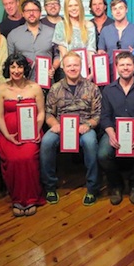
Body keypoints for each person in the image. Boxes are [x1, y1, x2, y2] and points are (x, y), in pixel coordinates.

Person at [40, 52, 101, 206]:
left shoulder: (92, 88)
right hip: (61, 128)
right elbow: (48, 113)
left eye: (76, 65)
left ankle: (92, 188)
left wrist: (88, 125)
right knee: (46, 142)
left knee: (90, 143)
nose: (72, 68)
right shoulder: (55, 88)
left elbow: (98, 114)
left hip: (83, 128)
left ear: (81, 66)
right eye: (69, 65)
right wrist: (54, 124)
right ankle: (50, 187)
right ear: (63, 67)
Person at [98, 51, 134, 205]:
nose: (125, 68)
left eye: (129, 64)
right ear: (116, 67)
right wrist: (111, 133)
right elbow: (105, 117)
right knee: (103, 154)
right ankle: (116, 184)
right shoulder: (108, 90)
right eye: (122, 65)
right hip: (114, 131)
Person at [0, 53, 47, 217]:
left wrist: (35, 130)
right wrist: (7, 135)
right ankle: (17, 199)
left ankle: (31, 198)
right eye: (13, 66)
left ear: (25, 68)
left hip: (31, 134)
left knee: (27, 158)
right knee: (13, 159)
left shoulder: (35, 88)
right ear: (8, 68)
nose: (16, 70)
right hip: (8, 135)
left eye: (19, 66)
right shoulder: (1, 89)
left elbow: (41, 113)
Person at [7, 0, 59, 81]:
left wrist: (53, 68)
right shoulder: (13, 35)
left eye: (35, 10)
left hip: (46, 82)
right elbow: (10, 60)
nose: (31, 13)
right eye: (27, 11)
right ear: (23, 13)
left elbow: (58, 55)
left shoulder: (52, 32)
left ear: (40, 13)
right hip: (22, 84)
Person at [97, 0, 134, 79]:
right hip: (111, 77)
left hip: (132, 75)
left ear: (126, 9)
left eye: (121, 8)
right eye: (114, 9)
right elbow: (100, 52)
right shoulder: (105, 30)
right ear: (111, 12)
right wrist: (100, 54)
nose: (118, 11)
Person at [53, 0, 96, 74]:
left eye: (76, 5)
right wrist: (70, 67)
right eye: (70, 6)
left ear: (80, 6)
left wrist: (93, 71)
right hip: (67, 69)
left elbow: (91, 50)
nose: (73, 8)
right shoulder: (60, 25)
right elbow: (63, 50)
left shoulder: (89, 25)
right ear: (66, 8)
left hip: (85, 69)